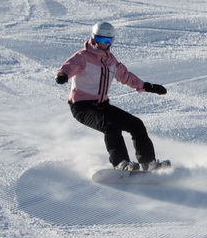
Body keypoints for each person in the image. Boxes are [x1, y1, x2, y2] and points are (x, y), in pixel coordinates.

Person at [56, 21, 169, 171]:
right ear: (93, 38)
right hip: (82, 106)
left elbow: (126, 76)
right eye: (100, 40)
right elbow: (69, 66)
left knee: (136, 124)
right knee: (110, 126)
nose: (103, 44)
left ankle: (148, 162)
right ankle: (121, 163)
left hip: (102, 105)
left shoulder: (111, 61)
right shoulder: (82, 56)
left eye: (107, 41)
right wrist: (63, 75)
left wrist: (147, 86)